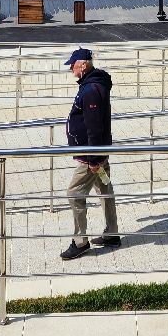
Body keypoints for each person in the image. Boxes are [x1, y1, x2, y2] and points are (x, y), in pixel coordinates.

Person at [59, 47, 119, 260]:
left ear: (83, 65)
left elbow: (94, 127)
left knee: (74, 193)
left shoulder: (91, 89)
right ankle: (112, 234)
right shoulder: (93, 84)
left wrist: (93, 159)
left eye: (73, 66)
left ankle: (80, 241)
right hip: (98, 152)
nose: (71, 70)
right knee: (105, 188)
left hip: (90, 156)